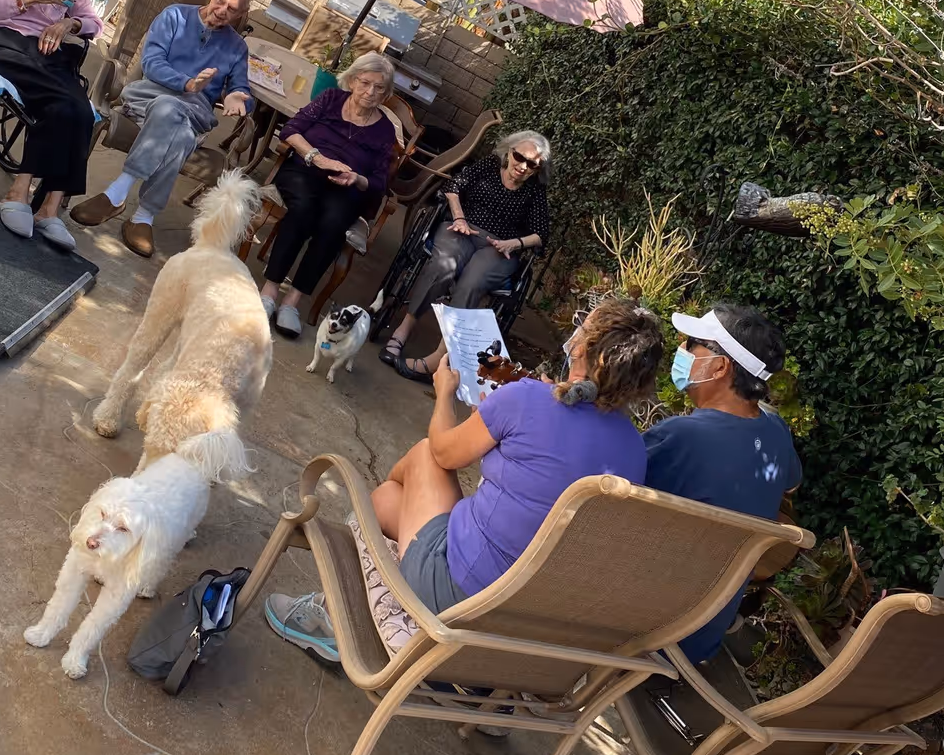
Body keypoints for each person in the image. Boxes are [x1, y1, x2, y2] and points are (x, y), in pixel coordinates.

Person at [264, 298, 663, 662]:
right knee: (388, 500)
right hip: (522, 626)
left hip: (457, 594)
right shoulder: (633, 450)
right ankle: (350, 591)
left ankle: (336, 612)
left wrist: (444, 393)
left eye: (582, 326)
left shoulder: (527, 399)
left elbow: (444, 452)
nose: (574, 334)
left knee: (420, 459)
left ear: (591, 351)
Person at [644, 303, 803, 666]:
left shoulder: (681, 436)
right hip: (700, 636)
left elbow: (602, 488)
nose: (682, 349)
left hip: (642, 626)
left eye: (692, 344)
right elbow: (791, 482)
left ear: (720, 367)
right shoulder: (776, 430)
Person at [71, 0, 254, 258]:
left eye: (231, 9)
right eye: (220, 1)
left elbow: (241, 89)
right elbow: (152, 63)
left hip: (193, 111)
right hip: (148, 96)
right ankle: (144, 216)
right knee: (178, 127)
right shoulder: (175, 16)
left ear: (241, 14)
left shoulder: (237, 47)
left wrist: (236, 96)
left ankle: (117, 193)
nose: (222, 11)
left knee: (170, 112)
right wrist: (187, 84)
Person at [381, 129, 551, 383]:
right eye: (519, 157)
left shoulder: (534, 190)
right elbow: (453, 186)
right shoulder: (489, 165)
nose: (523, 166)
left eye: (532, 164)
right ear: (509, 152)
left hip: (498, 248)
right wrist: (459, 217)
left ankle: (440, 358)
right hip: (462, 229)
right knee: (442, 266)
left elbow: (541, 234)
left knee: (473, 281)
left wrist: (514, 244)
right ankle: (403, 329)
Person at [0, 0, 103, 251]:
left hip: (47, 51)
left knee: (81, 112)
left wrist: (68, 23)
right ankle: (18, 191)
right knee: (57, 101)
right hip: (7, 40)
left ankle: (49, 209)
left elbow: (94, 23)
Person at [260, 51, 397, 341]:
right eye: (365, 83)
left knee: (334, 223)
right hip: (304, 170)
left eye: (379, 87)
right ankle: (270, 291)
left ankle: (292, 302)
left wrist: (356, 178)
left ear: (386, 93)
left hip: (345, 188)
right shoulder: (331, 99)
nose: (370, 92)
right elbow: (291, 130)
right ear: (353, 80)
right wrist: (318, 158)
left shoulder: (385, 130)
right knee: (303, 209)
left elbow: (379, 182)